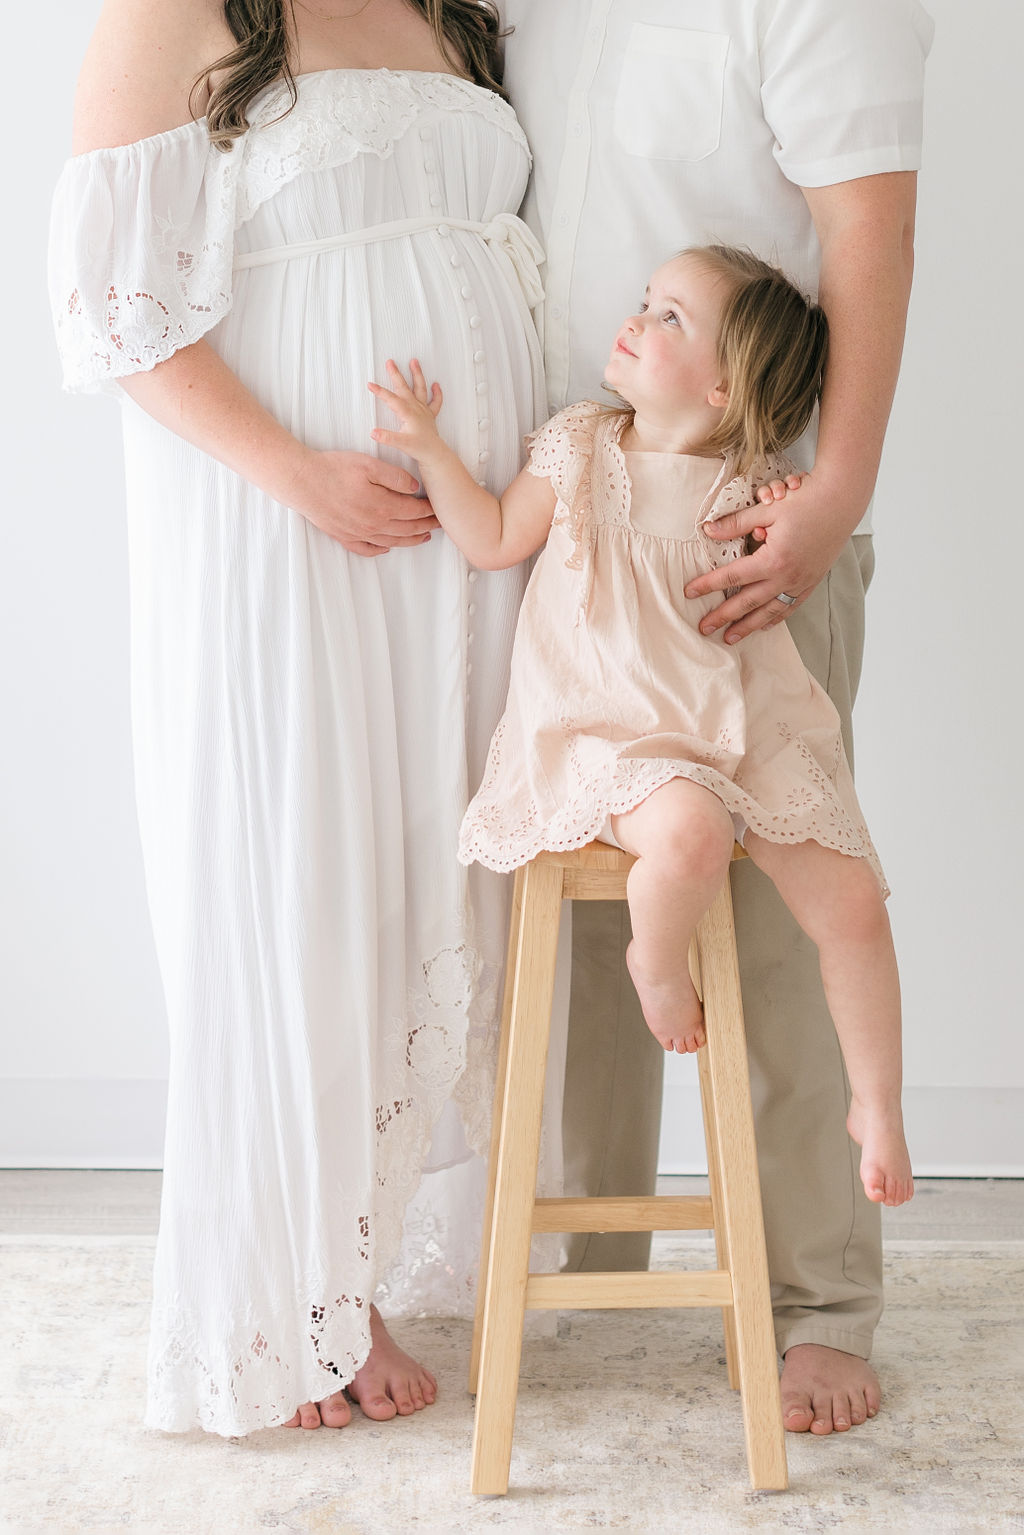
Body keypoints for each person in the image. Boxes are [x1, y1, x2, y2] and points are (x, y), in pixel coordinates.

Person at [49, 0, 547, 1436]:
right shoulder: (174, 10)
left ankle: (372, 1248)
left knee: (424, 864)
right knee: (303, 871)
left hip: (462, 542)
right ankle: (290, 1287)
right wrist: (300, 473)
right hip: (286, 528)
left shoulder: (452, 8)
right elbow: (115, 312)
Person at [498, 0, 933, 1433]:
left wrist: (835, 496)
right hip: (581, 511)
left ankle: (816, 1304)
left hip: (752, 524)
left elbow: (867, 234)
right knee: (613, 915)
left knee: (788, 919)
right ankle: (592, 1260)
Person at [370, 244, 914, 1209]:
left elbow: (775, 564)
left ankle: (877, 1102)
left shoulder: (751, 481)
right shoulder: (582, 445)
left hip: (739, 721)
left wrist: (784, 508)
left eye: (670, 318)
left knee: (857, 900)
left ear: (725, 384)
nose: (636, 319)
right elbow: (494, 535)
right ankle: (654, 964)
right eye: (645, 301)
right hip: (613, 729)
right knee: (692, 834)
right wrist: (429, 450)